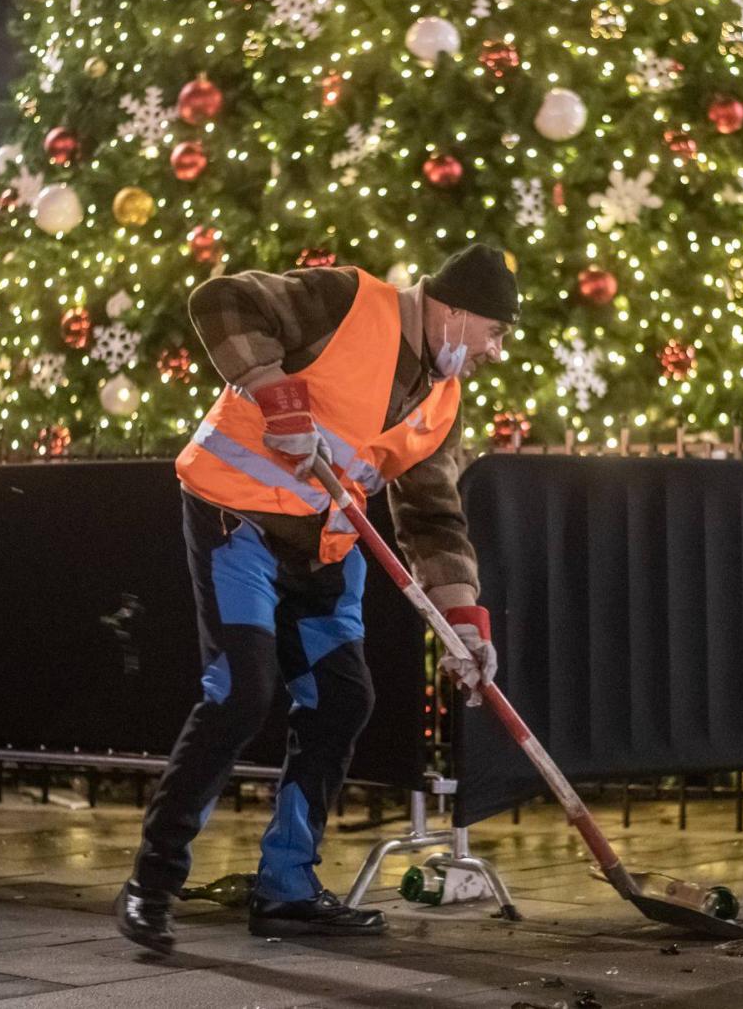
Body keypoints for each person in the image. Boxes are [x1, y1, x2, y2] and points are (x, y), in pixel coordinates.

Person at [116, 244, 518, 950]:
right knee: (241, 691)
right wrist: (278, 395)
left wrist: (464, 624)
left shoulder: (441, 401)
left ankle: (286, 888)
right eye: (495, 332)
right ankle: (151, 881)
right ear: (456, 311)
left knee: (342, 698)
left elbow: (431, 518)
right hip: (236, 516)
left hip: (325, 546)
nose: (495, 351)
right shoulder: (345, 300)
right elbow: (223, 299)